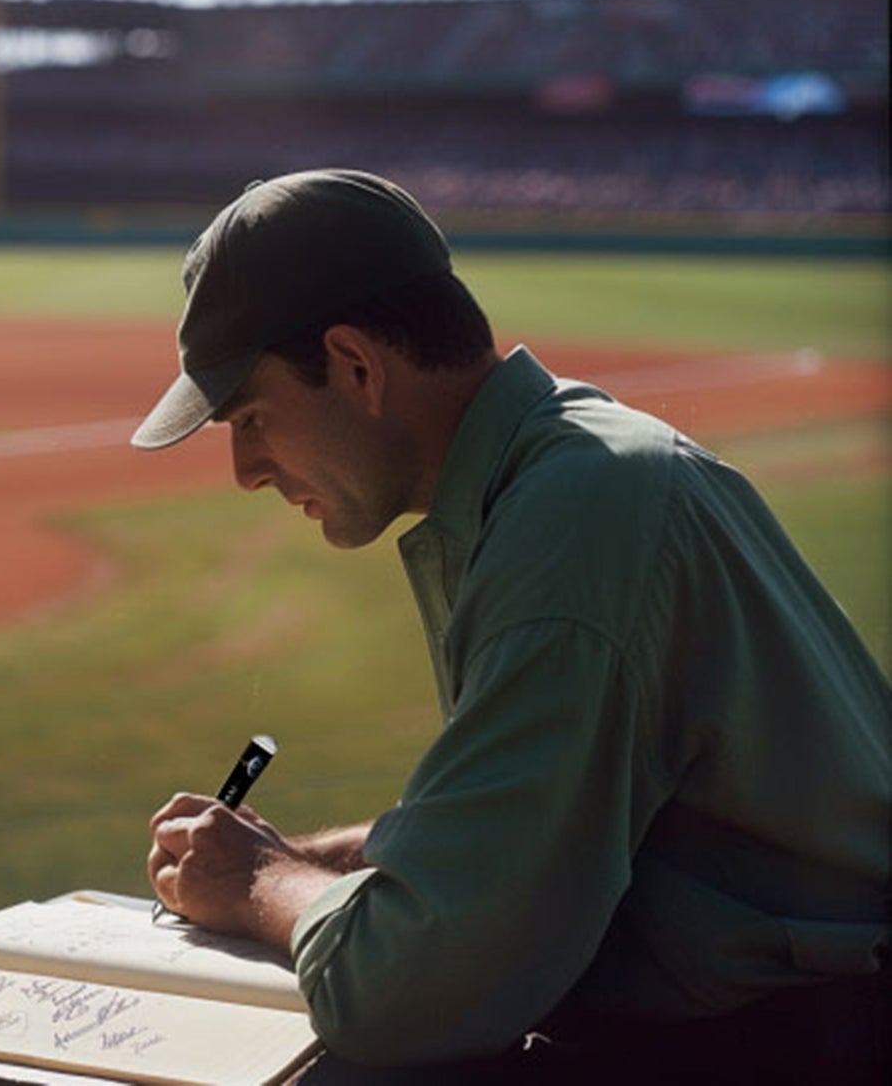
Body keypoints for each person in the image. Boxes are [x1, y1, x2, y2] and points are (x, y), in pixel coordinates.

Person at [132, 170, 890, 1082]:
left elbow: (407, 992)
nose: (245, 469)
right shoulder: (564, 466)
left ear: (358, 365)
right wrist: (306, 855)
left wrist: (258, 885)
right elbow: (553, 815)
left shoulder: (574, 517)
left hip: (800, 1041)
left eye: (250, 418)